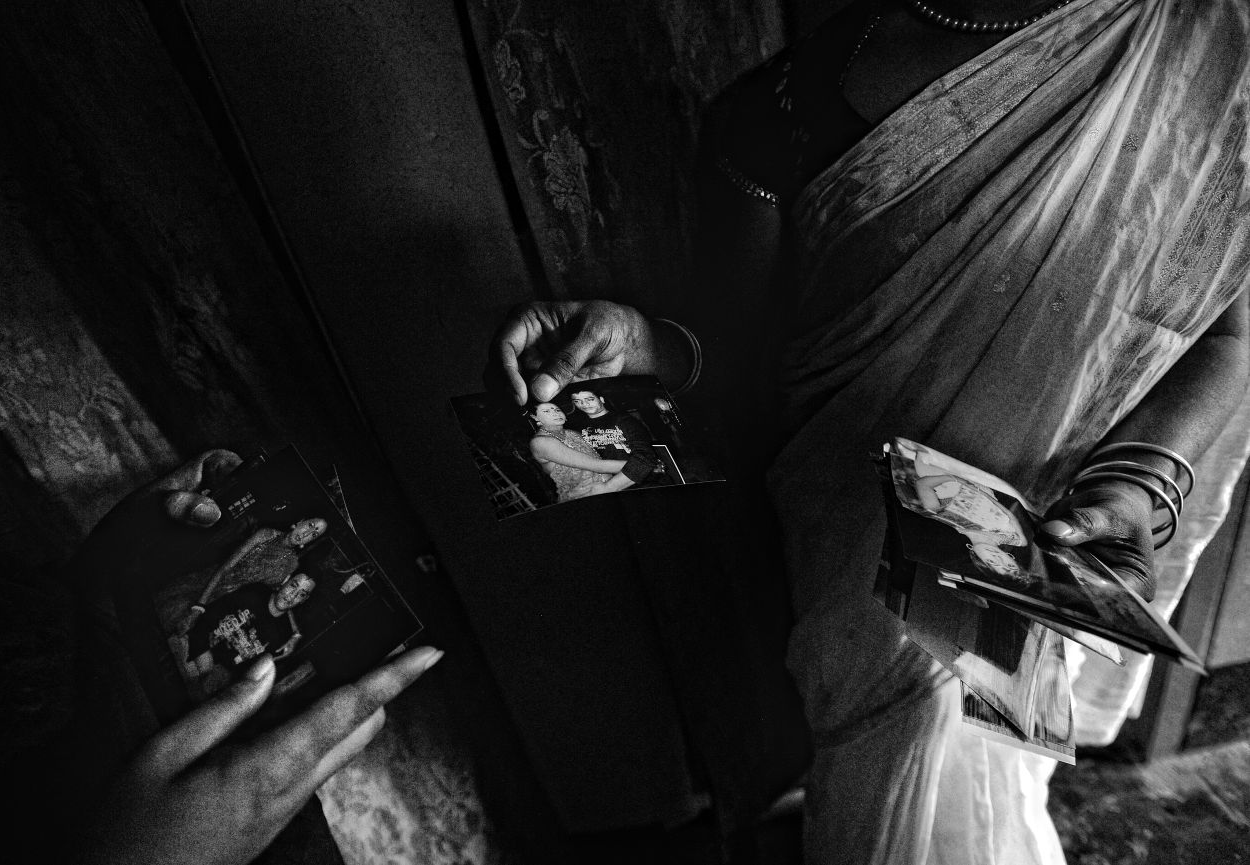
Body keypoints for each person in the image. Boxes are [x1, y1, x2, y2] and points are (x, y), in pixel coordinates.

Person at [488, 2, 1250, 863]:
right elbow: (739, 362)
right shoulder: (781, 109)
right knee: (889, 789)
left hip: (1054, 539)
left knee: (999, 779)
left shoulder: (1210, 49)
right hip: (858, 552)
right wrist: (641, 344)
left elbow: (1227, 338)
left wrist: (1134, 486)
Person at [0, 449, 443, 865]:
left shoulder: (284, 581)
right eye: (308, 526)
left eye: (314, 532)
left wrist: (102, 582)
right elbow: (226, 577)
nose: (305, 537)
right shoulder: (262, 552)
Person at [184, 571, 315, 681]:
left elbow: (250, 669)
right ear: (286, 580)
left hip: (218, 676)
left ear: (303, 600)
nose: (292, 595)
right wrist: (201, 652)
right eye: (293, 585)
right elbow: (211, 613)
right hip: (194, 645)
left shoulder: (283, 633)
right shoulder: (255, 593)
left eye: (301, 594)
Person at [527, 400, 630, 501]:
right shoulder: (540, 442)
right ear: (535, 417)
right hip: (583, 499)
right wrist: (636, 466)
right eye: (547, 411)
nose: (555, 413)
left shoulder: (572, 433)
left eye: (557, 410)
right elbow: (596, 465)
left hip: (612, 489)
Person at [564, 386, 662, 490]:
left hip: (640, 482)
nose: (584, 404)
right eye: (577, 401)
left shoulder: (625, 420)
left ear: (601, 399)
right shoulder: (576, 428)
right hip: (602, 482)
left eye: (590, 399)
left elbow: (645, 456)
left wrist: (609, 487)